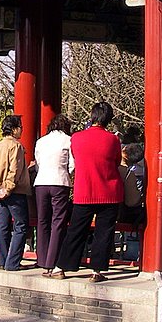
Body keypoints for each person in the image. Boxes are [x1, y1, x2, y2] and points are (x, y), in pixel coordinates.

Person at [53, 101, 124, 283]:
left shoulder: (76, 138)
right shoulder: (113, 139)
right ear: (107, 118)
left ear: (92, 116)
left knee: (76, 230)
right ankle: (97, 270)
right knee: (104, 232)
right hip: (109, 191)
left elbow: (77, 158)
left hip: (84, 190)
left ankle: (61, 267)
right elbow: (116, 162)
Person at [0, 114, 32, 271]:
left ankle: (3, 260)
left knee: (3, 226)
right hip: (14, 192)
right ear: (14, 129)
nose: (22, 130)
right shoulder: (16, 146)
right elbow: (15, 171)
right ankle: (13, 262)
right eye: (20, 127)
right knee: (21, 225)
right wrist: (8, 188)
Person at [34, 113, 75, 277]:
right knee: (58, 222)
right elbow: (72, 164)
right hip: (60, 181)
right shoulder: (68, 140)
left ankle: (42, 259)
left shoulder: (41, 141)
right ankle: (54, 260)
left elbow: (37, 163)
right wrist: (66, 173)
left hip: (41, 181)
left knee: (42, 221)